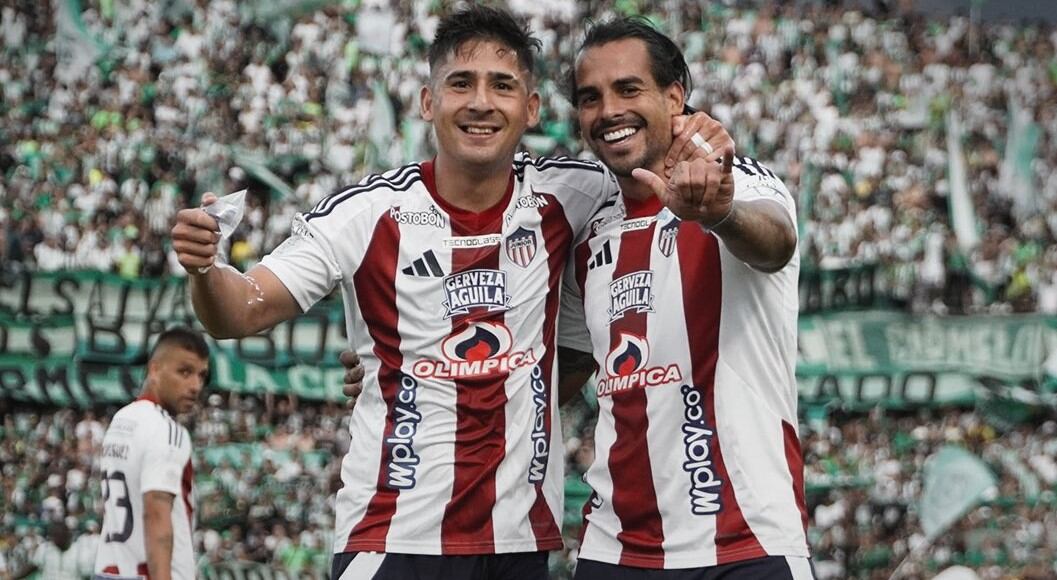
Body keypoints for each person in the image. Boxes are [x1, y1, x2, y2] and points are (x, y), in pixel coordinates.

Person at [171, 6, 728, 579]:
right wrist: (205, 266)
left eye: (503, 85)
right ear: (428, 102)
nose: (481, 102)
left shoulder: (573, 195)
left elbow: (656, 171)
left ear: (530, 108)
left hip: (517, 544)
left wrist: (694, 130)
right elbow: (241, 310)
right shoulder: (366, 214)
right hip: (393, 537)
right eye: (461, 83)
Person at [556, 17, 812, 579]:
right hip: (613, 550)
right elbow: (569, 363)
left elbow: (775, 242)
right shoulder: (588, 234)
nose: (608, 112)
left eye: (629, 89)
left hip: (744, 544)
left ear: (674, 97)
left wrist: (717, 213)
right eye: (590, 98)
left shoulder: (736, 181)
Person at [93, 327, 209, 580]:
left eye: (201, 376)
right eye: (185, 372)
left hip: (108, 570)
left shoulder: (122, 419)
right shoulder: (168, 431)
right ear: (154, 369)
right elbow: (156, 513)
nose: (195, 386)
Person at [12, 521, 94, 580]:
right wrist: (12, 577)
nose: (56, 539)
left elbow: (88, 575)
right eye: (54, 536)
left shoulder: (80, 551)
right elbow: (33, 566)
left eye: (59, 535)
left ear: (68, 535)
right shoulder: (45, 549)